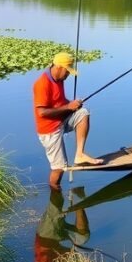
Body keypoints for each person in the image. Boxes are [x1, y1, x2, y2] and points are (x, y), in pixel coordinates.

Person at [33, 51, 102, 188]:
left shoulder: (58, 79)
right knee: (58, 168)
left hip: (61, 120)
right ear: (58, 67)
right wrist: (68, 107)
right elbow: (42, 112)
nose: (68, 75)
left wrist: (73, 105)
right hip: (49, 130)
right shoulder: (42, 83)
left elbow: (61, 102)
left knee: (83, 113)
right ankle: (55, 195)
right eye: (67, 71)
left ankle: (79, 154)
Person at [34, 186, 90, 262]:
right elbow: (69, 253)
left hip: (47, 236)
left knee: (56, 207)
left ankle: (55, 185)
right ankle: (78, 200)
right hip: (60, 239)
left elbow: (46, 254)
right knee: (83, 237)